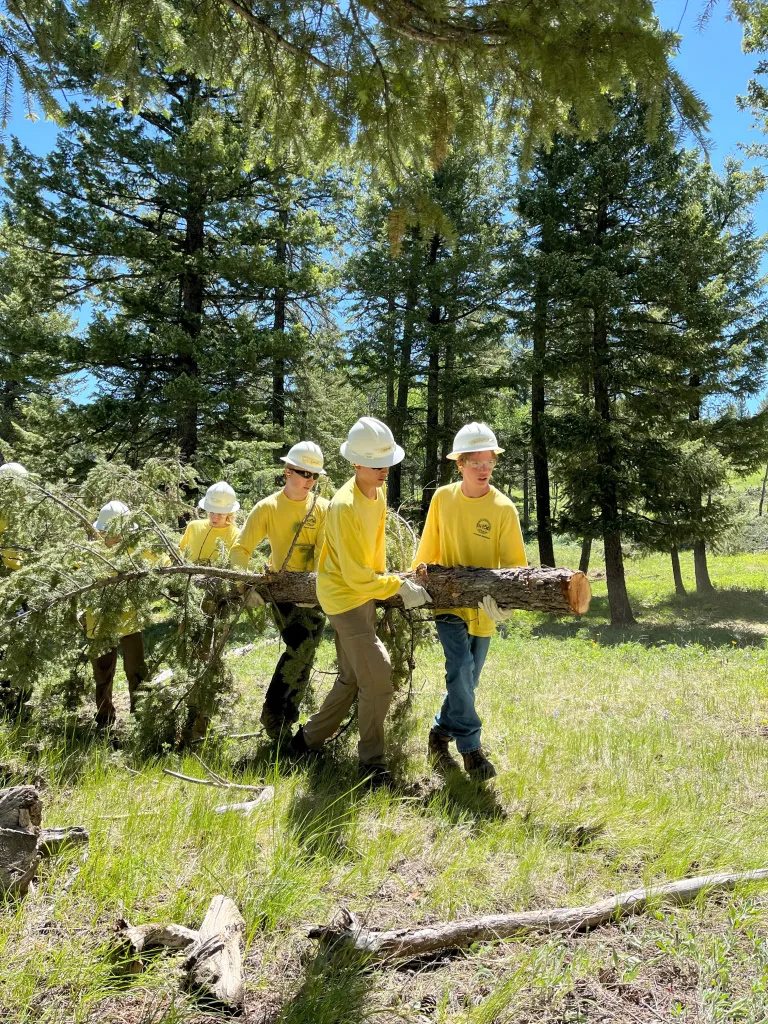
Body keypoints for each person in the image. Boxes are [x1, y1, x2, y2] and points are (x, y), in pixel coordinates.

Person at [289, 418, 431, 786]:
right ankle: (371, 765)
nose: (384, 471)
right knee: (379, 680)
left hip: (364, 593)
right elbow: (353, 576)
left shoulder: (378, 494)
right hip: (344, 599)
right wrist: (397, 587)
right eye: (375, 464)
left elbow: (375, 553)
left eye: (386, 463)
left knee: (352, 678)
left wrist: (387, 581)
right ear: (355, 463)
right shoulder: (344, 506)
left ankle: (303, 743)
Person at [413, 422, 527, 781]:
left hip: (485, 608)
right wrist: (415, 579)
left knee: (468, 681)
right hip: (447, 600)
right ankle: (472, 750)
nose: (483, 469)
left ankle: (438, 733)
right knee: (459, 668)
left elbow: (515, 566)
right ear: (459, 464)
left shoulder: (503, 508)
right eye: (474, 462)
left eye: (488, 461)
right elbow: (427, 549)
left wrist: (508, 602)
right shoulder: (443, 499)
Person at [230, 441, 329, 740]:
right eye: (303, 473)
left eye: (314, 475)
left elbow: (323, 551)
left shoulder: (323, 508)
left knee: (307, 652)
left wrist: (315, 590)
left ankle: (288, 718)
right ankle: (273, 714)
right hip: (281, 590)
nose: (309, 480)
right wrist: (243, 584)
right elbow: (241, 548)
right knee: (299, 646)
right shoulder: (268, 507)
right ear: (288, 472)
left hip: (315, 591)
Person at [85, 500, 148, 728]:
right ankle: (104, 717)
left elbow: (162, 563)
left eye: (123, 532)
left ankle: (140, 718)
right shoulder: (91, 552)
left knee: (137, 671)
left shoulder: (135, 549)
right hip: (99, 624)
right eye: (113, 533)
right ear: (101, 531)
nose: (119, 537)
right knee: (102, 673)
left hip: (131, 622)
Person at [0, 463, 31, 717]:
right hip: (7, 587)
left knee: (22, 642)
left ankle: (18, 700)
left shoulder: (27, 513)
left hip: (23, 588)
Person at [180, 482, 240, 564]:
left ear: (229, 513)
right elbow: (181, 553)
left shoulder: (236, 535)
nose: (215, 517)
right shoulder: (193, 527)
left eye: (220, 514)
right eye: (212, 512)